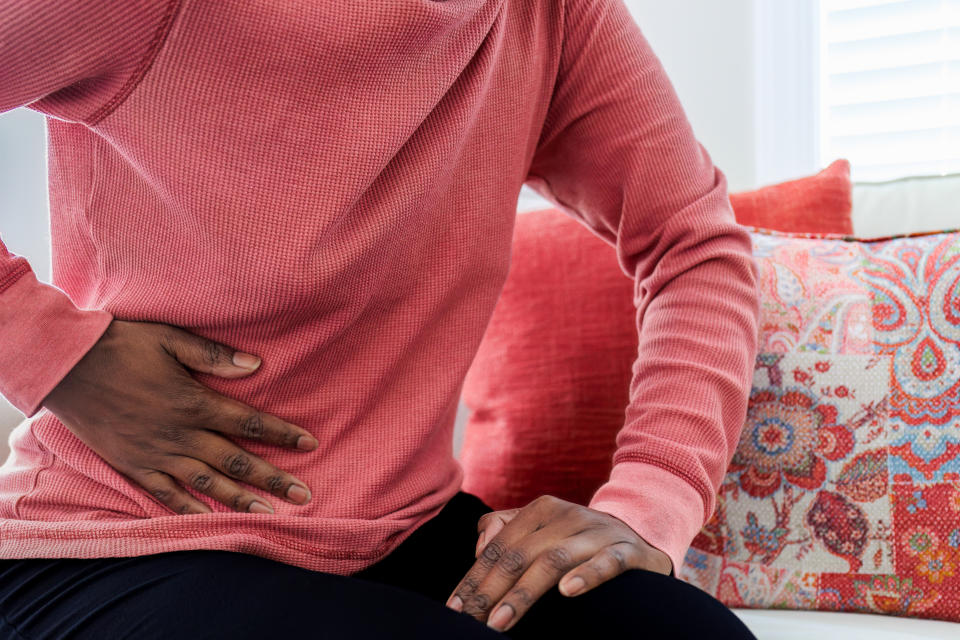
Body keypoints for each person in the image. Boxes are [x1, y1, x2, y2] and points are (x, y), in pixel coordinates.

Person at [0, 0, 760, 637]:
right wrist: (47, 349)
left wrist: (650, 501)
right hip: (118, 544)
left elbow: (692, 244)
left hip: (401, 532)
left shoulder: (548, 16)